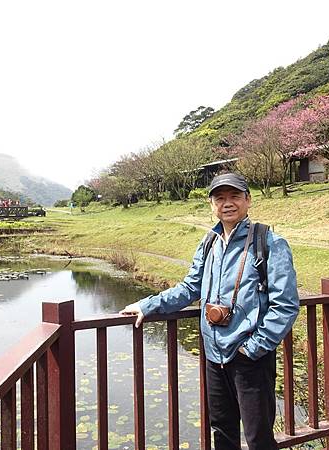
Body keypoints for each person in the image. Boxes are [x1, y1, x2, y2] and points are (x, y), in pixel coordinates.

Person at [120, 173, 299, 450]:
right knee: (223, 432)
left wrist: (252, 348)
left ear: (248, 200)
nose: (227, 203)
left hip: (249, 358)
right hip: (214, 357)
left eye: (235, 196)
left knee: (258, 438)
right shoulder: (209, 243)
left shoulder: (270, 242)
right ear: (211, 205)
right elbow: (190, 288)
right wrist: (147, 305)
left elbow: (285, 305)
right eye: (220, 198)